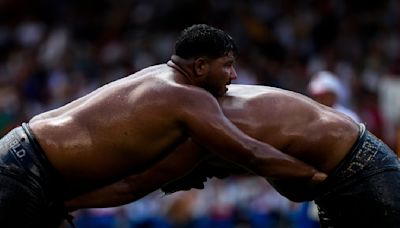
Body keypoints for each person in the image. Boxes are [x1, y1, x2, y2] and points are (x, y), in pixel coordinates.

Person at [0, 24, 324, 227]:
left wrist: (64, 203)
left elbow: (133, 185)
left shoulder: (158, 76)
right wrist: (316, 175)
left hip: (24, 161)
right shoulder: (188, 98)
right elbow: (250, 152)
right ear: (200, 66)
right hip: (26, 172)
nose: (234, 76)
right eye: (227, 65)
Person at [68, 84, 400, 227]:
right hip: (351, 177)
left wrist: (68, 202)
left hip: (360, 176)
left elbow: (132, 185)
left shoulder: (199, 135)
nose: (194, 186)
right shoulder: (195, 112)